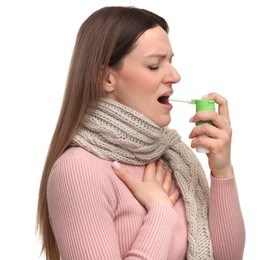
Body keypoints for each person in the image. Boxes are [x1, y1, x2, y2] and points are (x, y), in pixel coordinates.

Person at [36, 6, 245, 260]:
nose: (175, 76)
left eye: (171, 62)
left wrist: (221, 170)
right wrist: (160, 212)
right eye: (155, 65)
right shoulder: (79, 171)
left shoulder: (173, 159)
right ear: (107, 79)